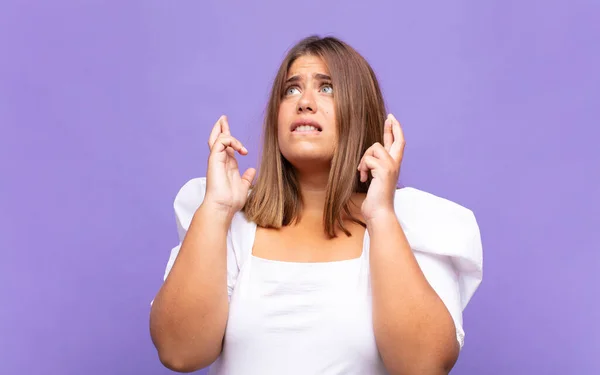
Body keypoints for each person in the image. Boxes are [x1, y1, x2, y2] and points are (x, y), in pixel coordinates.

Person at [149, 35, 483, 375]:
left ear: (360, 109)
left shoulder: (414, 223)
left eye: (327, 89)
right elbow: (179, 352)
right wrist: (217, 209)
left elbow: (422, 366)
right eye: (290, 90)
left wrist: (381, 216)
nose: (304, 102)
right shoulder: (229, 220)